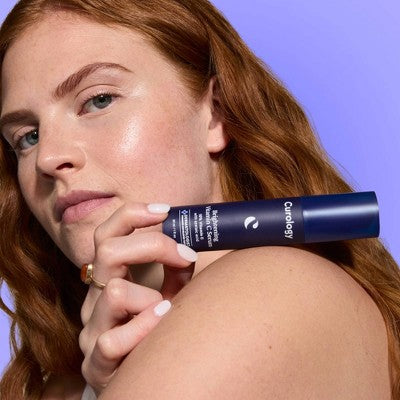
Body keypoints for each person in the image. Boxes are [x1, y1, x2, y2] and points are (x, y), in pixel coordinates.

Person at [0, 0, 399, 399]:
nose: (47, 157)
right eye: (27, 137)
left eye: (98, 100)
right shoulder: (65, 378)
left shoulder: (271, 291)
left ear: (216, 113)